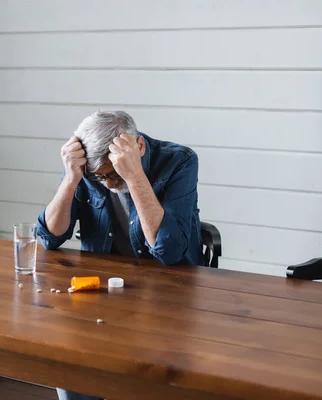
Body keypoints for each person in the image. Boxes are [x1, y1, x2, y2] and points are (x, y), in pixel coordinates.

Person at [36, 110, 204, 400]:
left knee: (151, 378)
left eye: (112, 175)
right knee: (70, 370)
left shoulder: (179, 161)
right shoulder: (89, 170)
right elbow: (49, 237)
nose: (109, 184)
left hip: (168, 294)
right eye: (98, 178)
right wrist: (71, 178)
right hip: (103, 294)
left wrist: (134, 175)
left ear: (138, 147)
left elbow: (169, 250)